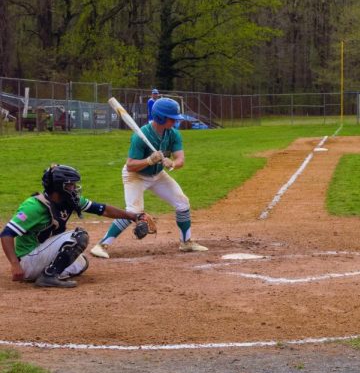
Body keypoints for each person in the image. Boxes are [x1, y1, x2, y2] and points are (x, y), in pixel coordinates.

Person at [90, 97, 207, 258]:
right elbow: (130, 165)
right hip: (135, 176)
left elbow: (181, 160)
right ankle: (101, 245)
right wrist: (149, 160)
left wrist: (172, 163)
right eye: (172, 119)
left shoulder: (173, 134)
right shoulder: (140, 136)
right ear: (160, 117)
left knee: (182, 202)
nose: (175, 122)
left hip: (158, 175)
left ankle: (186, 242)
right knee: (134, 211)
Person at [2, 165, 148, 288]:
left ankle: (46, 273)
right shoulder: (33, 206)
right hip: (28, 260)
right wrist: (15, 265)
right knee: (78, 236)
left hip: (40, 256)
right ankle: (48, 276)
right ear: (60, 186)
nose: (74, 188)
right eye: (70, 185)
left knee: (81, 262)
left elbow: (102, 209)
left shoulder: (69, 200)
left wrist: (134, 216)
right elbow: (6, 234)